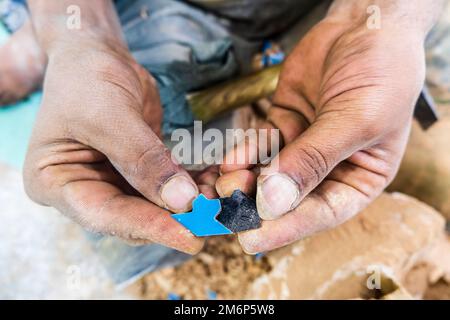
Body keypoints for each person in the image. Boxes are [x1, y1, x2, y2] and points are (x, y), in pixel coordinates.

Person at [2, 0, 444, 259]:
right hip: (165, 10)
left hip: (340, 11)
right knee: (120, 197)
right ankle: (41, 34)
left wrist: (389, 18)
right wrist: (81, 36)